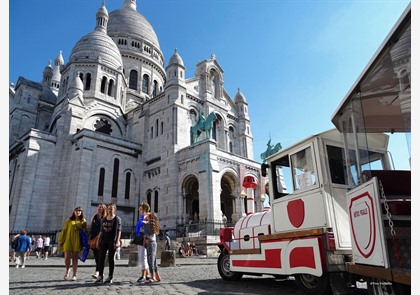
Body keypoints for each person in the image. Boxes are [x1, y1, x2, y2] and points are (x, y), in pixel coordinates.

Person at [94, 203, 122, 284]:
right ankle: (100, 276)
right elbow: (101, 231)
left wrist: (117, 242)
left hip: (112, 241)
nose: (110, 210)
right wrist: (98, 241)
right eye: (109, 208)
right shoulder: (103, 219)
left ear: (114, 210)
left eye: (112, 209)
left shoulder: (117, 219)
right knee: (101, 258)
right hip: (104, 240)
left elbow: (119, 231)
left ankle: (110, 276)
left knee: (110, 259)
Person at [58, 206, 87, 281]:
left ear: (81, 212)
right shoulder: (69, 220)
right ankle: (67, 270)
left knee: (75, 258)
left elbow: (86, 231)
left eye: (80, 211)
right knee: (67, 257)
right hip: (68, 240)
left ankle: (74, 274)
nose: (78, 212)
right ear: (74, 212)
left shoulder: (83, 221)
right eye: (77, 211)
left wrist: (81, 229)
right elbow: (64, 230)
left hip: (77, 240)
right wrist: (60, 240)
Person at [88, 203, 107, 279]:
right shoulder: (94, 217)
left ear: (104, 209)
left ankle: (98, 272)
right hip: (93, 238)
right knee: (96, 256)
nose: (99, 209)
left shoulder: (105, 218)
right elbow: (90, 227)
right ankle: (99, 271)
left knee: (100, 255)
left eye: (101, 207)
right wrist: (87, 236)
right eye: (99, 207)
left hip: (101, 239)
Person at [143, 211, 161, 283]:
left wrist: (144, 216)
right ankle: (157, 276)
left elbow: (141, 221)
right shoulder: (153, 224)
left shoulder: (147, 224)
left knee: (150, 261)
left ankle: (152, 277)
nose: (145, 215)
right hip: (153, 243)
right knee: (153, 261)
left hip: (150, 243)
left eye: (147, 215)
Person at [135, 202, 150, 284]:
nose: (139, 209)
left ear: (144, 208)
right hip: (139, 238)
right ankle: (147, 274)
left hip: (143, 239)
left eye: (140, 207)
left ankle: (143, 275)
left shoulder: (146, 217)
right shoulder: (142, 216)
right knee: (143, 256)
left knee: (142, 257)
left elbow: (146, 229)